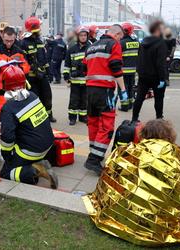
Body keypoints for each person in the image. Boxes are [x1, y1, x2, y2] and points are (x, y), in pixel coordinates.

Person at [83, 119, 180, 246]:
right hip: (157, 225)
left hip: (118, 216)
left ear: (144, 134)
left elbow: (109, 178)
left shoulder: (127, 151)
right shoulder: (177, 154)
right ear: (170, 135)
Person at [0, 65, 58, 188]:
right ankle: (37, 162)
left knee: (6, 173)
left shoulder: (9, 107)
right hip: (48, 144)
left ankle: (35, 170)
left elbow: (7, 138)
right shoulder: (33, 95)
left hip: (32, 151)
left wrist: (7, 156)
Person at [83, 24, 128, 175]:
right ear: (116, 34)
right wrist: (123, 89)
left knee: (93, 123)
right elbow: (116, 67)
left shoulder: (91, 46)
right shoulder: (113, 44)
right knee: (107, 126)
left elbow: (84, 68)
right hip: (105, 91)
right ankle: (94, 159)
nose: (120, 40)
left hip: (90, 91)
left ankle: (94, 152)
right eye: (120, 37)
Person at [0, 26, 30, 116]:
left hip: (18, 86)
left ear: (15, 38)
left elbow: (26, 67)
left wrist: (17, 69)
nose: (9, 43)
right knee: (2, 109)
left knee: (19, 110)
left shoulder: (19, 51)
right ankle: (1, 128)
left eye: (11, 41)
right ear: (3, 37)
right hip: (2, 86)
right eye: (7, 41)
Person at [20, 16, 56, 122]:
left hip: (42, 76)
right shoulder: (24, 43)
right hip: (32, 78)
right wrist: (35, 70)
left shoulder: (39, 41)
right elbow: (24, 62)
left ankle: (48, 115)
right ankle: (37, 118)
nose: (40, 30)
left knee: (47, 96)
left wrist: (49, 72)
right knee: (34, 99)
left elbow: (44, 59)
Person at [132, 20, 167, 122]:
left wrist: (140, 72)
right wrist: (162, 78)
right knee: (159, 98)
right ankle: (159, 118)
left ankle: (134, 118)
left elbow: (139, 58)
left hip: (143, 76)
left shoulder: (143, 42)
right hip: (156, 77)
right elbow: (160, 63)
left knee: (139, 98)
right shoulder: (161, 43)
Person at [63, 26, 90, 125]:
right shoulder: (72, 49)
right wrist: (66, 75)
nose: (83, 37)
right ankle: (72, 118)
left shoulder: (90, 48)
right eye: (81, 35)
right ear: (78, 36)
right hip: (75, 80)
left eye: (85, 35)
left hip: (86, 80)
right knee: (74, 100)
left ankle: (83, 117)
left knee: (84, 100)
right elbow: (67, 64)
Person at [118, 22, 139, 112]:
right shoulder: (136, 42)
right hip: (133, 70)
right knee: (131, 87)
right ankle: (130, 104)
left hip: (123, 71)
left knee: (123, 88)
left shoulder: (121, 43)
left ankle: (124, 106)